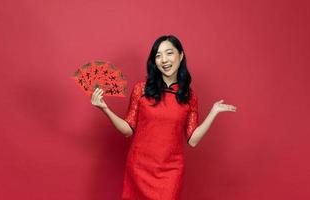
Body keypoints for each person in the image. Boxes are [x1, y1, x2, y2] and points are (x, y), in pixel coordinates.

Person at [91, 35, 237, 200]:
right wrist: (105, 109)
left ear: (180, 56)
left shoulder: (189, 96)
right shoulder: (141, 89)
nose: (164, 60)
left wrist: (213, 112)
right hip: (139, 167)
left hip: (171, 171)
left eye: (169, 53)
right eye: (158, 55)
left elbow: (193, 140)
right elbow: (127, 130)